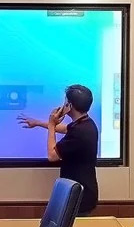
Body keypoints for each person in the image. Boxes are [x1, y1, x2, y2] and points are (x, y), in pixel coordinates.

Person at [18, 85, 99, 215]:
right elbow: (65, 128)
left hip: (79, 196)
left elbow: (52, 155)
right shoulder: (86, 123)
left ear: (69, 105)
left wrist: (51, 124)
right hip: (84, 192)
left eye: (65, 102)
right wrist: (38, 123)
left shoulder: (79, 132)